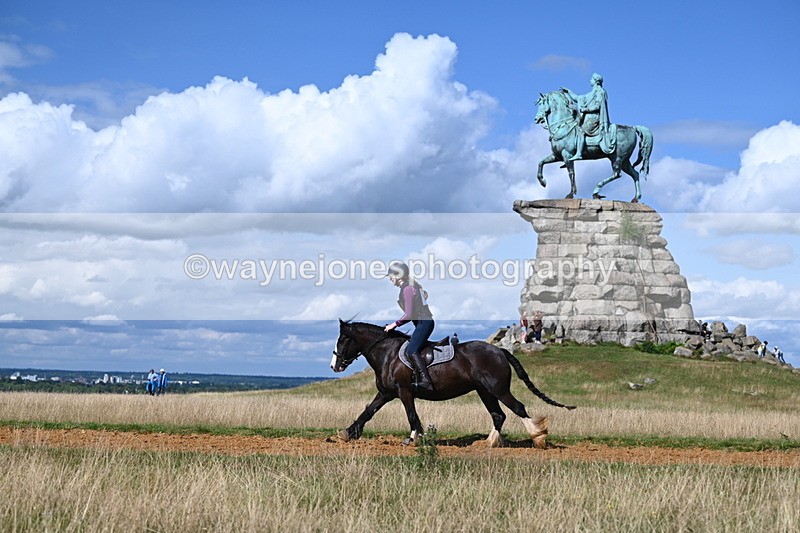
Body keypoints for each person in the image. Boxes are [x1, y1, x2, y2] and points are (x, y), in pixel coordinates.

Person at [384, 261, 435, 391]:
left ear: (398, 275)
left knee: (411, 351)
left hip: (424, 323)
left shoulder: (407, 289)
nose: (390, 279)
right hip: (422, 323)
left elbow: (409, 314)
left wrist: (393, 325)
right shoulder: (410, 286)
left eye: (391, 276)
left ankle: (425, 381)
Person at [562, 73, 610, 162]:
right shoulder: (590, 94)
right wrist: (569, 92)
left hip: (594, 118)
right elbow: (578, 98)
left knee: (580, 130)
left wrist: (586, 109)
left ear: (595, 81)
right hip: (588, 117)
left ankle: (579, 153)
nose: (590, 80)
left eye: (591, 79)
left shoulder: (600, 92)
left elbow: (598, 106)